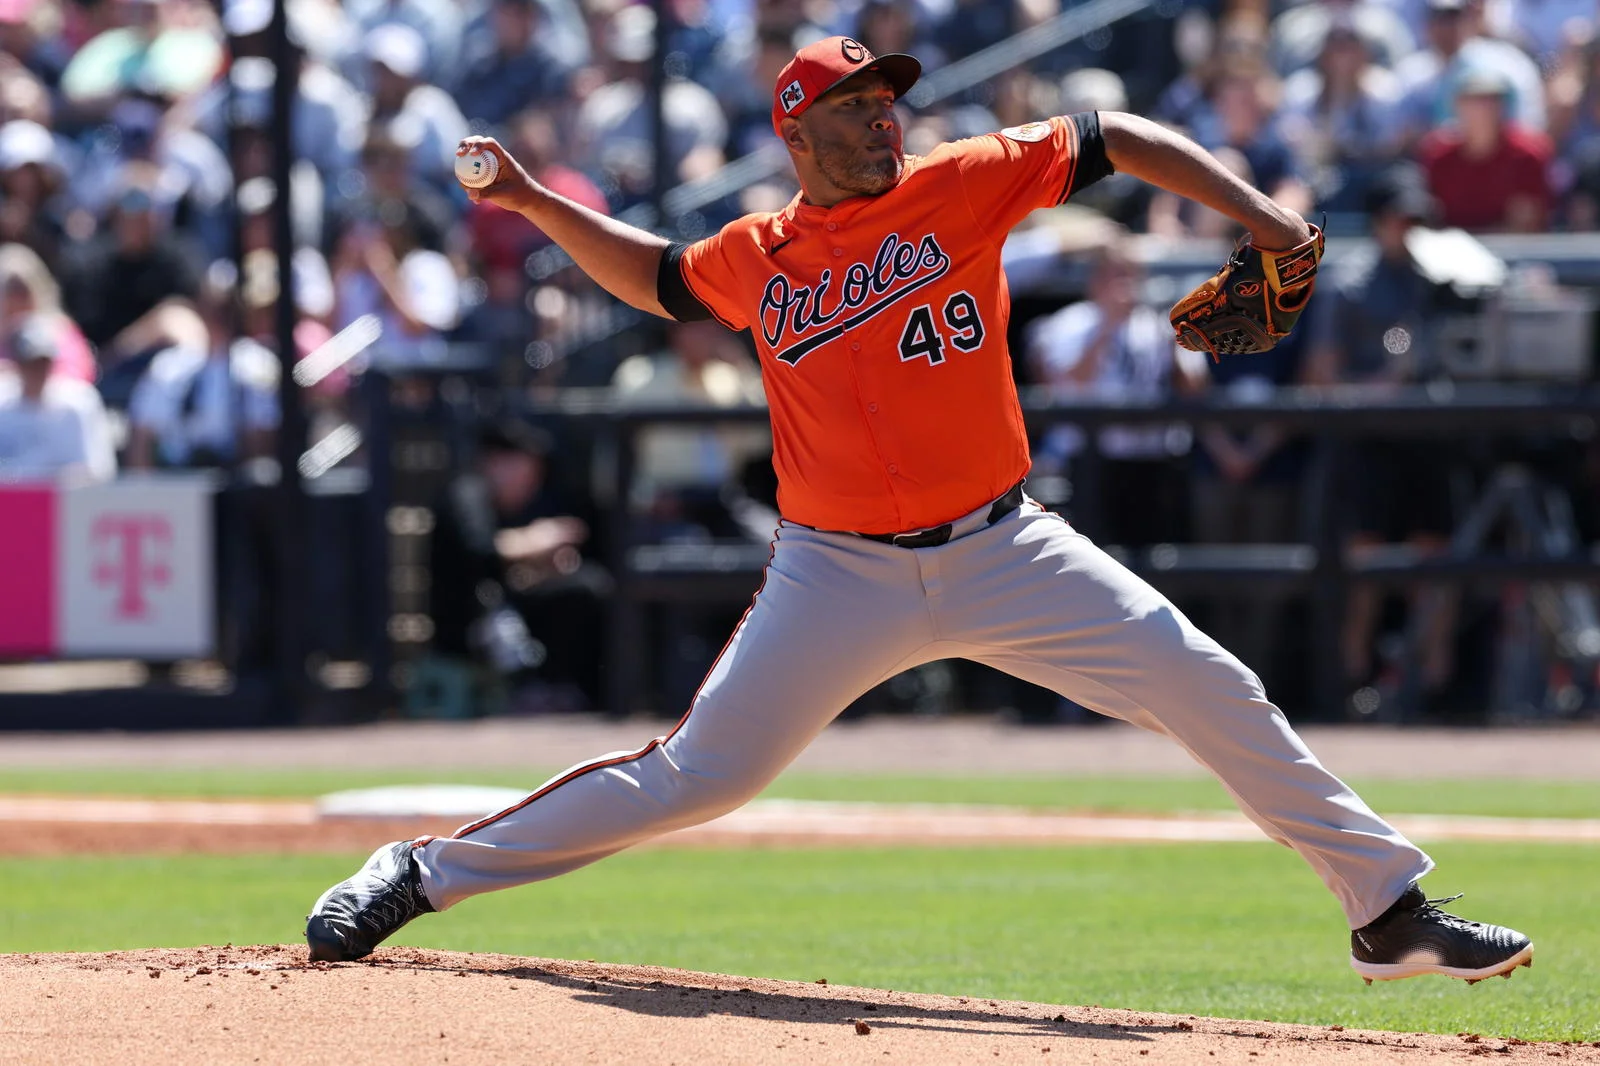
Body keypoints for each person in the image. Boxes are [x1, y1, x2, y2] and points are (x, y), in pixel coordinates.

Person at [306, 35, 1535, 986]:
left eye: (888, 98)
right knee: (693, 775)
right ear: (799, 129)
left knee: (1205, 680)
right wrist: (529, 200)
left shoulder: (961, 184)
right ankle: (418, 874)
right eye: (856, 104)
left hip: (1006, 545)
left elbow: (1117, 134)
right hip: (832, 572)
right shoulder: (759, 251)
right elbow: (658, 278)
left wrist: (1266, 222)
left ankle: (1386, 911)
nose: (884, 113)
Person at [0, 314, 115, 483]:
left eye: (43, 363)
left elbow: (98, 469)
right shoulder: (3, 402)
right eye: (30, 363)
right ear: (18, 363)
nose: (38, 371)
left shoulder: (79, 402)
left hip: (68, 504)